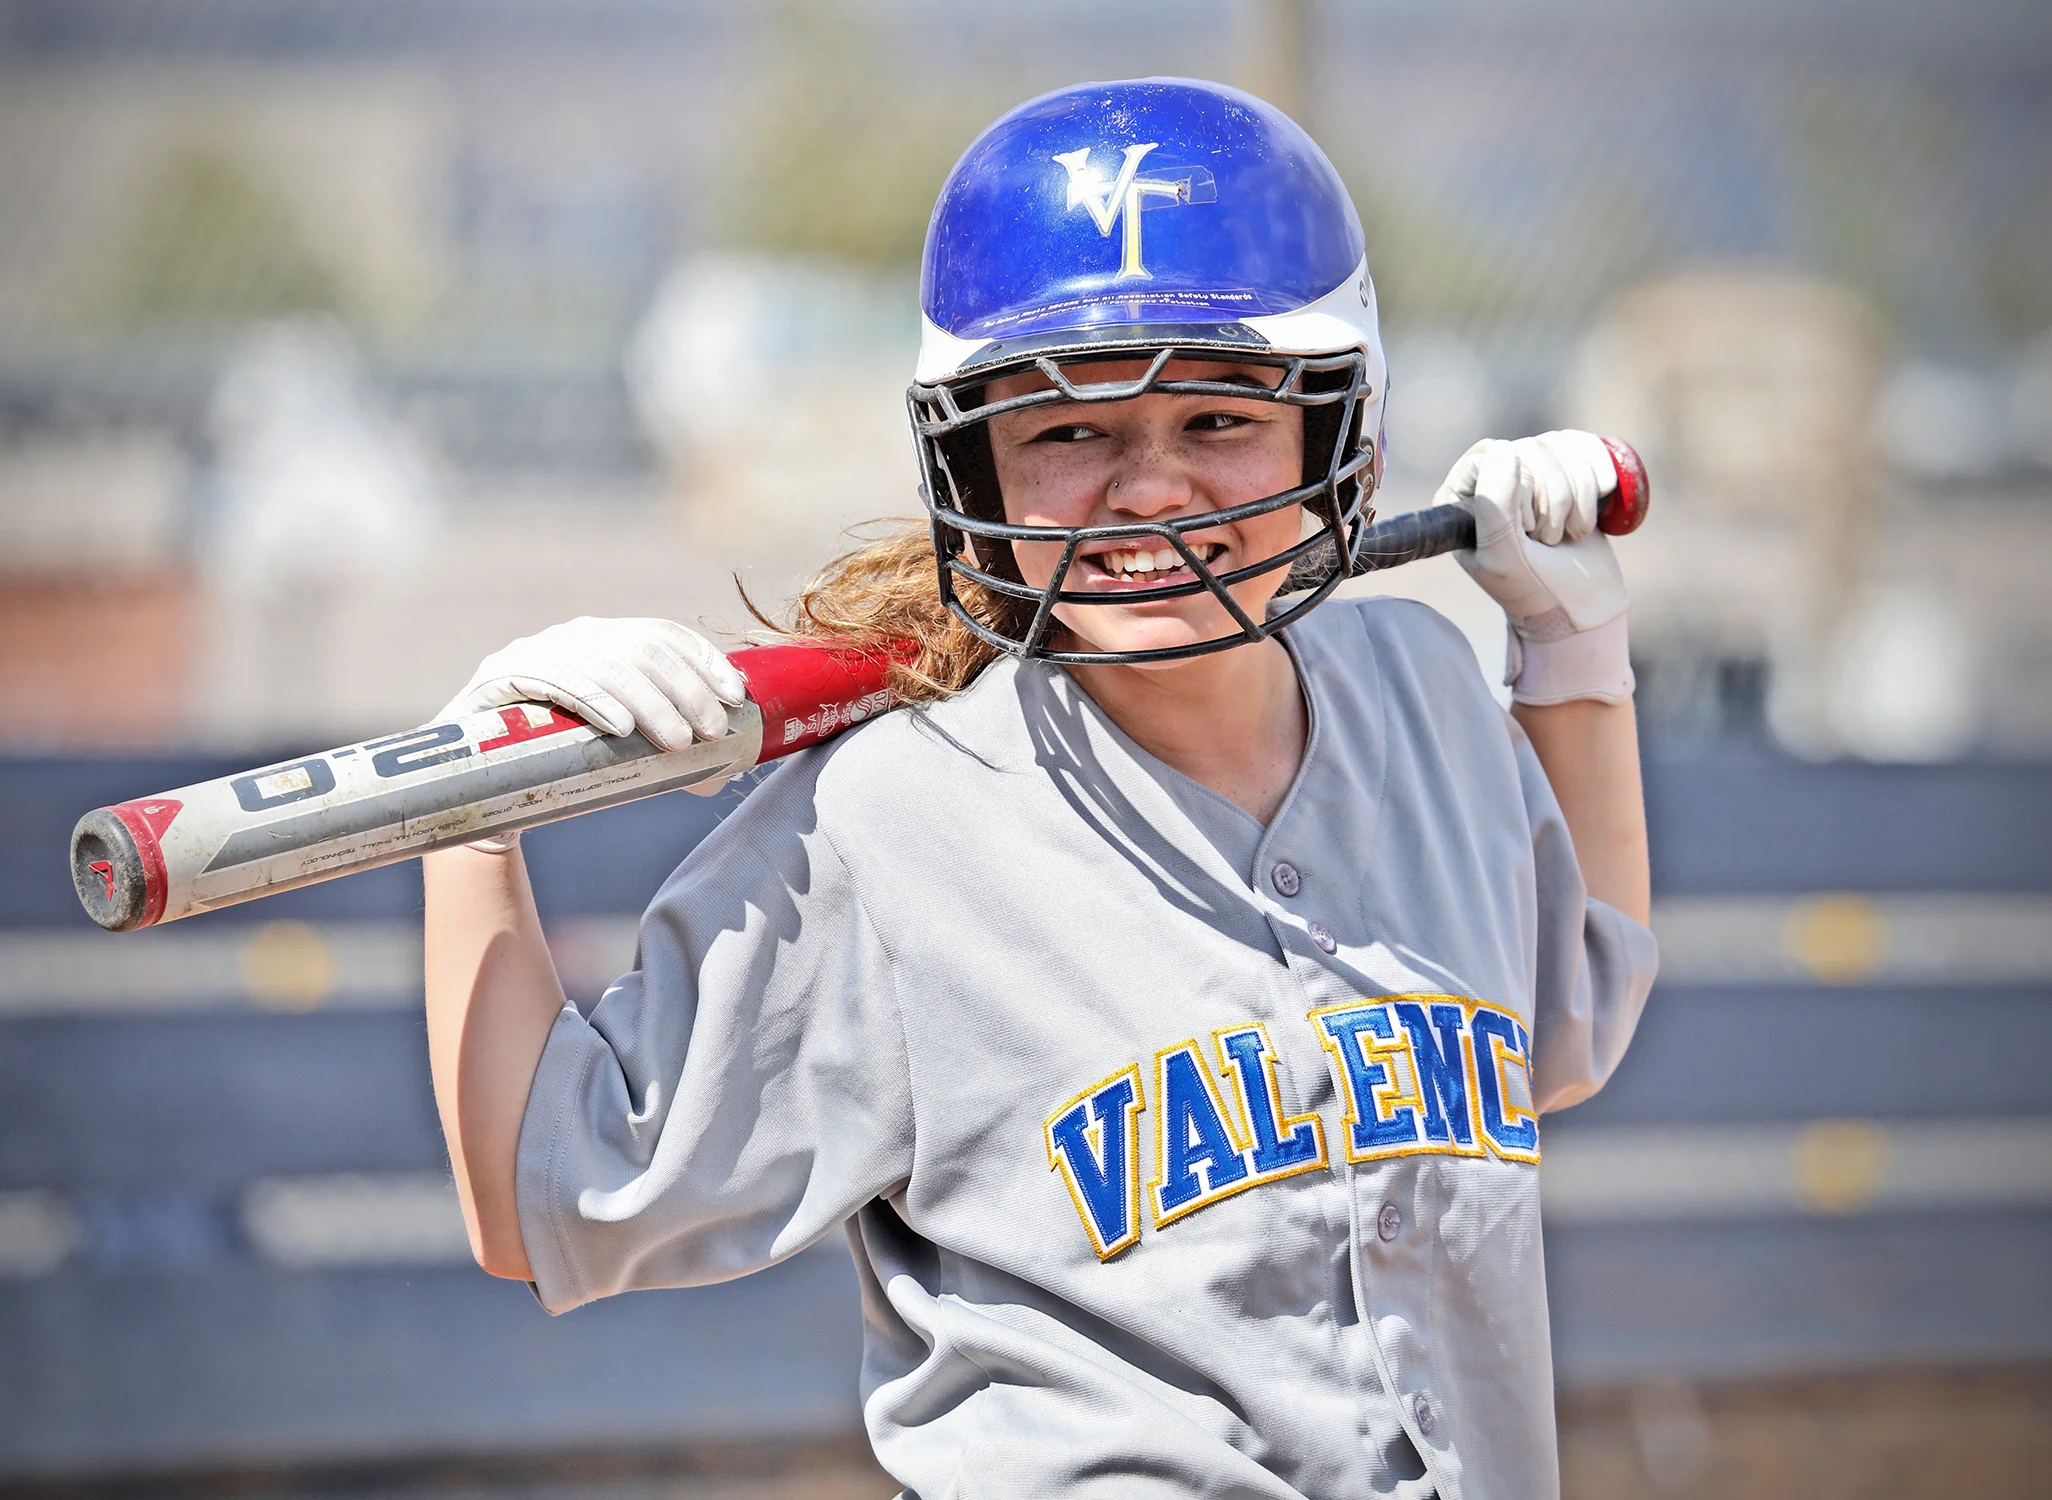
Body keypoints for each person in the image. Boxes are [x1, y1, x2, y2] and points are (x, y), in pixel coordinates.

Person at [422, 78, 1654, 1500]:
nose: (1148, 490)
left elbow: (1574, 1008)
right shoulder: (890, 823)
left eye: (1216, 421)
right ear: (974, 461)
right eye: (1069, 432)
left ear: (1337, 435)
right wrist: (473, 802)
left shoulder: (1427, 695)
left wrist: (1575, 652)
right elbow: (553, 1193)